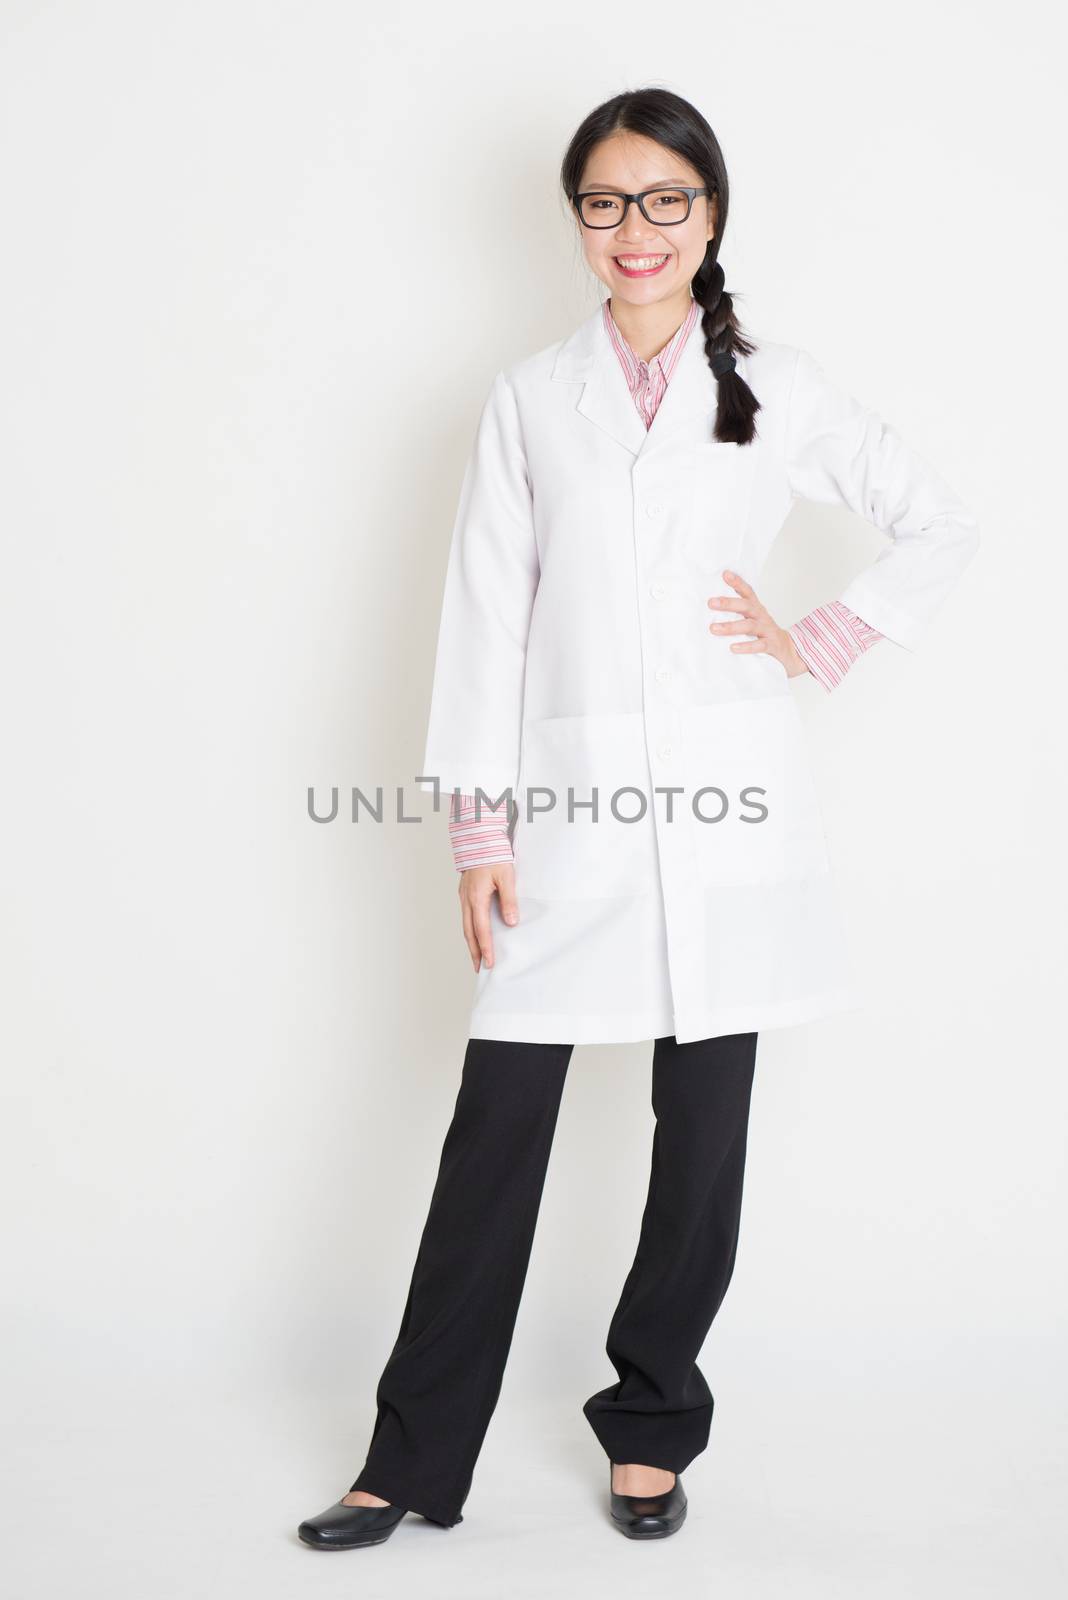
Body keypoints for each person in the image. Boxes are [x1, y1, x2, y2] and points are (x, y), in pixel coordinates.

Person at [297, 85, 979, 1550]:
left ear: (711, 215)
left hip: (733, 827)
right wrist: (481, 839)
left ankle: (654, 1425)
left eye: (665, 199)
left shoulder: (779, 389)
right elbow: (488, 618)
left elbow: (939, 521)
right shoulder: (533, 398)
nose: (636, 229)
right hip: (571, 819)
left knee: (702, 1140)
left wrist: (820, 638)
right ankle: (410, 1459)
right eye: (607, 202)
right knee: (497, 1137)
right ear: (578, 223)